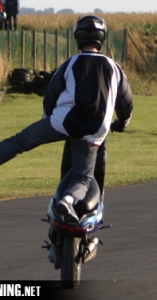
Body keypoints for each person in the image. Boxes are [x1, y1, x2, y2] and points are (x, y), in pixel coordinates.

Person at [0, 15, 133, 222]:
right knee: (83, 176)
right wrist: (122, 123)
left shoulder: (71, 63)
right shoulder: (113, 67)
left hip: (61, 122)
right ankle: (67, 201)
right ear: (102, 38)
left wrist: (47, 120)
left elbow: (51, 94)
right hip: (93, 131)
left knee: (19, 142)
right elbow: (126, 103)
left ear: (77, 37)